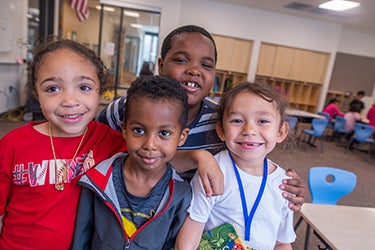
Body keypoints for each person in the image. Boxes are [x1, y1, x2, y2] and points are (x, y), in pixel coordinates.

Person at [97, 24, 307, 210]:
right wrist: (198, 156)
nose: (195, 70)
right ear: (161, 66)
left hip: (192, 217)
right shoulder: (126, 109)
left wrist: (283, 184)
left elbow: (250, 161)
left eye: (206, 65)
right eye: (181, 60)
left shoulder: (222, 120)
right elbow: (91, 151)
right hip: (123, 209)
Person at [0, 38, 127, 249]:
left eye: (84, 87)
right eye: (52, 89)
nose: (70, 101)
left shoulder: (110, 142)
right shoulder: (13, 144)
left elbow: (154, 154)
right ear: (36, 93)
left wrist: (199, 156)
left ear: (100, 92)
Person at [72, 76, 192, 249]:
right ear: (124, 130)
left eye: (164, 133)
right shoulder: (96, 181)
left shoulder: (181, 195)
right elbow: (81, 240)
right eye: (139, 130)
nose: (150, 145)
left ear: (182, 137)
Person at [175, 82, 295, 250]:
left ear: (281, 132)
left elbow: (282, 242)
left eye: (263, 121)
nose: (249, 130)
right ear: (221, 130)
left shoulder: (284, 183)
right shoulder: (214, 170)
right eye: (237, 120)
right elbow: (192, 229)